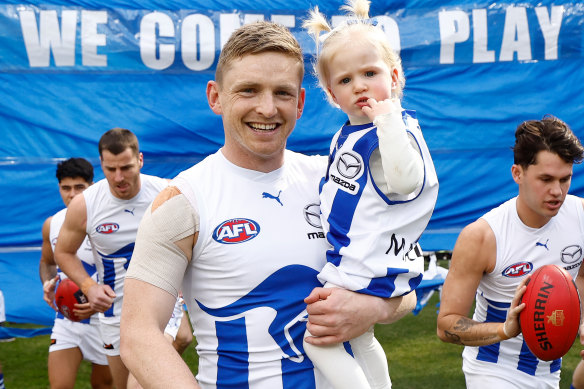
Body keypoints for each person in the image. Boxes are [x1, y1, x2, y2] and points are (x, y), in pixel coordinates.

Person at [120, 20, 418, 388]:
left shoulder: (337, 180)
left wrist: (372, 307)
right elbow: (138, 335)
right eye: (248, 90)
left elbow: (403, 285)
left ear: (300, 102)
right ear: (215, 96)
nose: (267, 108)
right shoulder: (182, 201)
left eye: (282, 93)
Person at [302, 1, 439, 388]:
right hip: (367, 259)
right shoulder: (355, 133)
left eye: (370, 73)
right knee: (361, 339)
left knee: (317, 341)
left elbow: (406, 179)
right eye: (345, 80)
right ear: (331, 94)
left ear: (394, 76)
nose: (360, 85)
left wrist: (388, 119)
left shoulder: (390, 131)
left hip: (361, 266)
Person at [436, 116, 584, 388]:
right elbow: (446, 325)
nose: (557, 191)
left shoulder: (581, 215)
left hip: (549, 372)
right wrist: (505, 329)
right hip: (492, 370)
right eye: (546, 179)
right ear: (517, 173)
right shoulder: (482, 236)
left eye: (565, 179)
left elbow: (582, 276)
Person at [54, 129, 191, 389]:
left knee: (138, 384)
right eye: (111, 169)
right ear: (101, 165)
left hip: (159, 307)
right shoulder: (87, 205)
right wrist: (89, 286)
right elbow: (62, 252)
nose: (119, 178)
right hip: (114, 311)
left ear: (140, 160)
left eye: (126, 167)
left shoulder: (167, 193)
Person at [39, 157, 113, 389]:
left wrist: (101, 298)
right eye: (66, 188)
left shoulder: (110, 222)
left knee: (104, 385)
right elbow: (47, 261)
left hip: (105, 320)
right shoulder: (52, 223)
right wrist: (48, 282)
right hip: (67, 319)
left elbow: (128, 271)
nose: (71, 194)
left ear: (92, 186)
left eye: (79, 187)